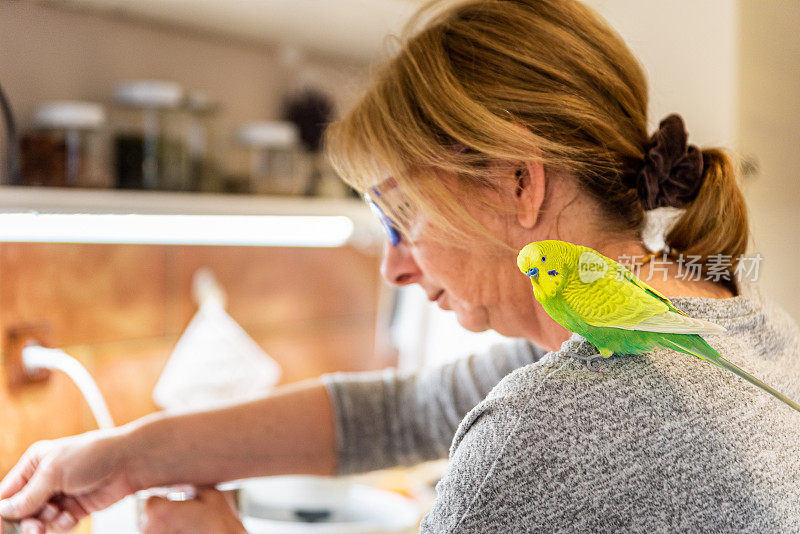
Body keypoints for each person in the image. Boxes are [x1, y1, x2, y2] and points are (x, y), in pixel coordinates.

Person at [3, 0, 800, 532]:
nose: (393, 268)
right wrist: (121, 458)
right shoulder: (713, 314)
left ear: (519, 183)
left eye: (401, 216)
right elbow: (397, 412)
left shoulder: (552, 427)